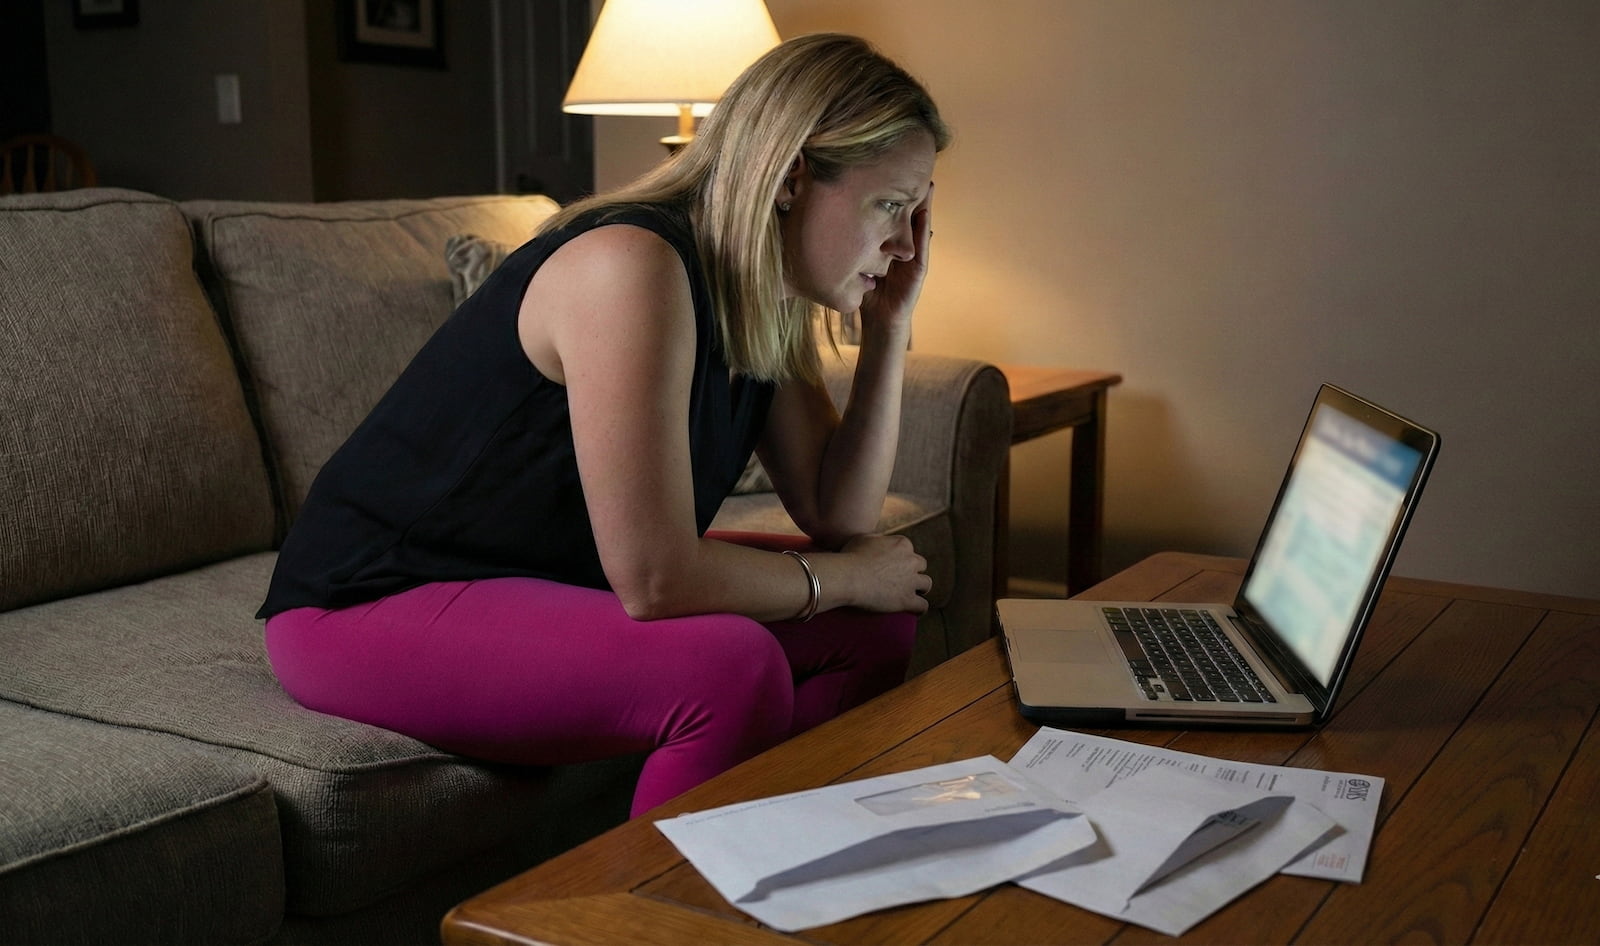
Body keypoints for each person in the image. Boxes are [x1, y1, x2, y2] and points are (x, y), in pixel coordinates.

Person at [258, 33, 951, 817]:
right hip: (370, 603)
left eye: (914, 213)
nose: (904, 244)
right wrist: (848, 575)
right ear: (792, 177)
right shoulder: (631, 265)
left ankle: (788, 861)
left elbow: (839, 515)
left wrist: (890, 327)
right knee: (732, 664)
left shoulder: (765, 291)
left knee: (874, 621)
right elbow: (659, 580)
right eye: (891, 206)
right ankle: (649, 918)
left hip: (543, 578)